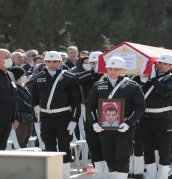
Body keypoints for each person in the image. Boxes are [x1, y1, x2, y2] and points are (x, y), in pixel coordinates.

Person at [85, 56, 146, 179]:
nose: (113, 71)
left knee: (122, 157)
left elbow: (140, 106)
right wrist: (93, 123)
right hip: (104, 127)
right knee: (108, 156)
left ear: (123, 69)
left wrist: (129, 123)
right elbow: (89, 105)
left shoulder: (132, 86)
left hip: (124, 127)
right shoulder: (98, 85)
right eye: (110, 68)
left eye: (116, 69)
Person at [31, 51, 82, 179]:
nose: (52, 64)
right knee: (49, 147)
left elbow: (76, 101)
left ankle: (65, 174)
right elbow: (34, 102)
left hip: (64, 117)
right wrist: (36, 121)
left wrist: (74, 120)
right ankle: (52, 175)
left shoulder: (69, 78)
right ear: (45, 62)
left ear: (60, 62)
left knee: (64, 146)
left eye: (55, 61)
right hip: (46, 117)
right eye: (48, 61)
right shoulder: (38, 78)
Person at [140, 53, 172, 179]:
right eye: (159, 63)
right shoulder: (149, 77)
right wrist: (142, 80)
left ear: (170, 66)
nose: (160, 65)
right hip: (146, 118)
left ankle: (162, 175)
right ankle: (151, 174)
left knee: (164, 148)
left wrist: (154, 79)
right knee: (147, 147)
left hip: (163, 119)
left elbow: (164, 92)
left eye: (164, 63)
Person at [72, 51, 108, 178]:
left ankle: (108, 170)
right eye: (92, 63)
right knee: (92, 141)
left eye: (97, 63)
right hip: (91, 113)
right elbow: (75, 79)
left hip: (109, 113)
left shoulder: (109, 73)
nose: (94, 65)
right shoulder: (89, 75)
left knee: (107, 142)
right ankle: (97, 170)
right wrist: (94, 71)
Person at [0, 49, 19, 150]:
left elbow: (14, 96)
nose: (10, 60)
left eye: (10, 57)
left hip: (8, 119)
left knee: (2, 148)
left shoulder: (10, 74)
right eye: (7, 58)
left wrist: (15, 117)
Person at [8, 67, 33, 148]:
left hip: (28, 117)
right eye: (22, 75)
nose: (24, 77)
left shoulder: (22, 86)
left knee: (25, 141)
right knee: (19, 142)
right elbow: (19, 103)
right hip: (20, 118)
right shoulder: (12, 87)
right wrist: (32, 109)